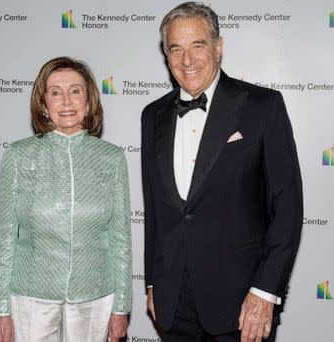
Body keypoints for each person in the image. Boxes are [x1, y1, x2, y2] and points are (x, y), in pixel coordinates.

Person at [141, 2, 303, 342]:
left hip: (242, 305)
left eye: (197, 45)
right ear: (166, 55)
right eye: (176, 49)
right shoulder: (152, 115)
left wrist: (265, 291)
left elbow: (287, 209)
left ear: (218, 46)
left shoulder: (262, 107)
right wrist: (154, 282)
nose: (187, 60)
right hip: (173, 306)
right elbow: (155, 209)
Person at [0, 56, 132, 342]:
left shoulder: (111, 159)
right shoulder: (18, 156)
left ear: (88, 101)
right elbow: (4, 239)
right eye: (55, 92)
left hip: (94, 296)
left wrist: (122, 306)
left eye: (75, 91)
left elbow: (120, 239)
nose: (66, 101)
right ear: (43, 104)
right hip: (30, 298)